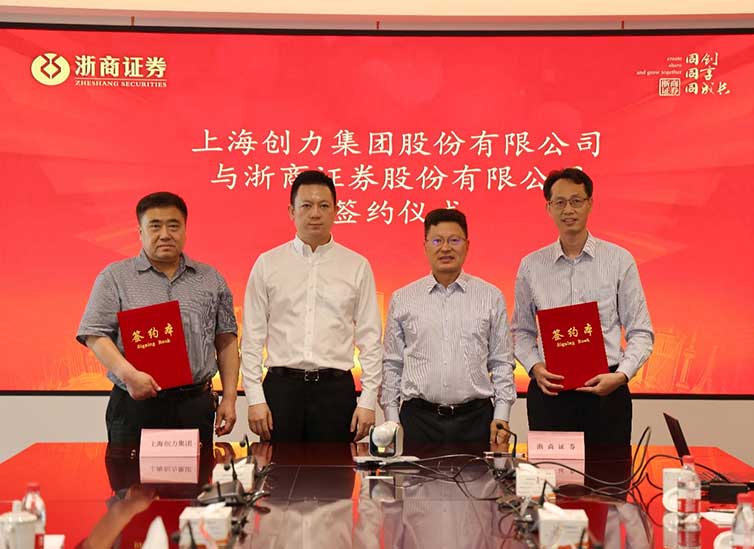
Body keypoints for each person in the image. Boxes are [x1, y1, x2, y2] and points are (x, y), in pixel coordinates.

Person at [77, 192, 239, 444]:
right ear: (140, 232)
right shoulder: (115, 277)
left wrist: (229, 398)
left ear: (185, 230)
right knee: (129, 471)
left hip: (194, 406)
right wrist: (129, 375)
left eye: (173, 226)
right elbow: (94, 334)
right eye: (155, 226)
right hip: (135, 405)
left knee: (197, 470)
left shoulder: (210, 279)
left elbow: (226, 340)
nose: (165, 234)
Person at [511, 167, 654, 446]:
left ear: (590, 203)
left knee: (609, 472)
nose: (569, 210)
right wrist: (534, 367)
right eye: (560, 202)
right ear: (548, 207)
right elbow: (521, 332)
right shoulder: (531, 266)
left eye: (576, 201)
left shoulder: (618, 260)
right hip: (551, 394)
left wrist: (621, 375)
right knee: (549, 473)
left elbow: (641, 331)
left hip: (607, 394)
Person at [241, 170, 382, 442]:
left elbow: (370, 338)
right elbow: (252, 338)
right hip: (281, 391)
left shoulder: (357, 265)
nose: (315, 214)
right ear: (292, 211)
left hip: (335, 392)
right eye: (306, 205)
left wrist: (367, 400)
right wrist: (255, 398)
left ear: (336, 211)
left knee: (334, 469)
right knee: (278, 468)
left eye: (324, 206)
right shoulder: (268, 263)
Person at [381, 208, 516, 447]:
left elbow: (501, 362)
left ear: (467, 245)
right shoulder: (403, 298)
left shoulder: (490, 296)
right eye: (437, 241)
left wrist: (502, 416)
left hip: (476, 420)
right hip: (418, 421)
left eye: (454, 240)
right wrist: (392, 420)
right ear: (425, 246)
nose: (445, 248)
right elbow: (392, 364)